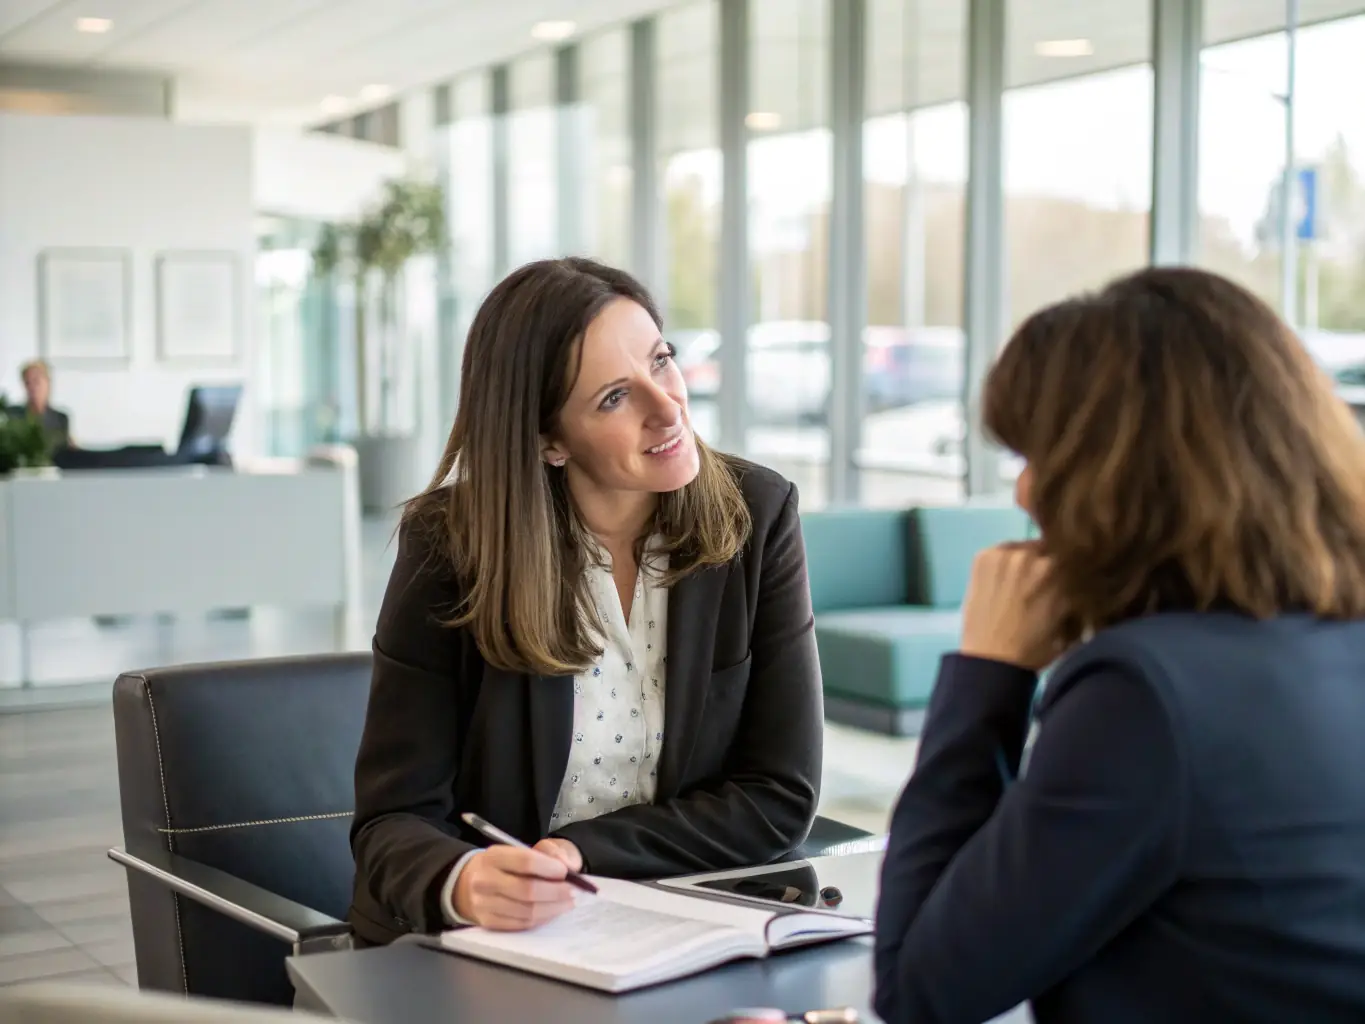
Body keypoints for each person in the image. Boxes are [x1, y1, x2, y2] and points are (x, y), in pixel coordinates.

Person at [873, 267, 1365, 1024]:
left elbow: (921, 991)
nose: (1025, 494)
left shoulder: (1149, 694)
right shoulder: (1329, 638)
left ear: (1119, 472)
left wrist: (986, 674)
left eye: (1038, 458)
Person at [348, 257, 822, 945]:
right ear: (547, 441)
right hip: (493, 945)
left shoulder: (759, 514)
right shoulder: (450, 544)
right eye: (613, 398)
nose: (668, 407)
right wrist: (463, 880)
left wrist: (582, 852)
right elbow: (393, 820)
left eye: (662, 361)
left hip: (686, 926)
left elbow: (777, 798)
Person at [13, 359, 72, 451]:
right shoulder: (14, 416)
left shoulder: (60, 419)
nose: (32, 387)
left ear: (48, 383)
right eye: (28, 382)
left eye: (36, 382)